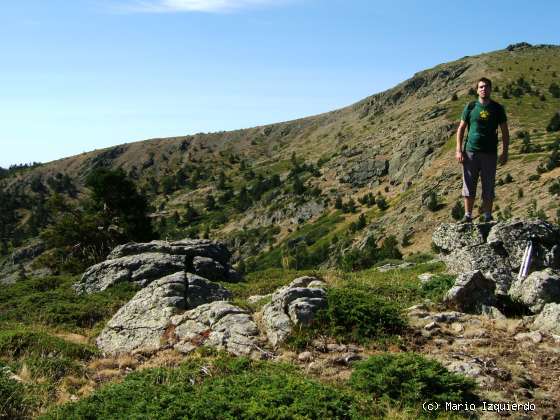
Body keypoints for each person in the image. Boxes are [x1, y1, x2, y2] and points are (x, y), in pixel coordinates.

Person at [456, 77, 509, 223]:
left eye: (486, 86)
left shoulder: (497, 108)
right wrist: (458, 150)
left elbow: (505, 131)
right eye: (481, 87)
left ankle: (487, 216)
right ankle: (468, 215)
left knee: (488, 185)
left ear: (491, 89)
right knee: (469, 183)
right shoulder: (471, 107)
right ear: (477, 90)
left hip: (490, 153)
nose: (483, 89)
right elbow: (461, 129)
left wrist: (505, 152)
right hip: (470, 152)